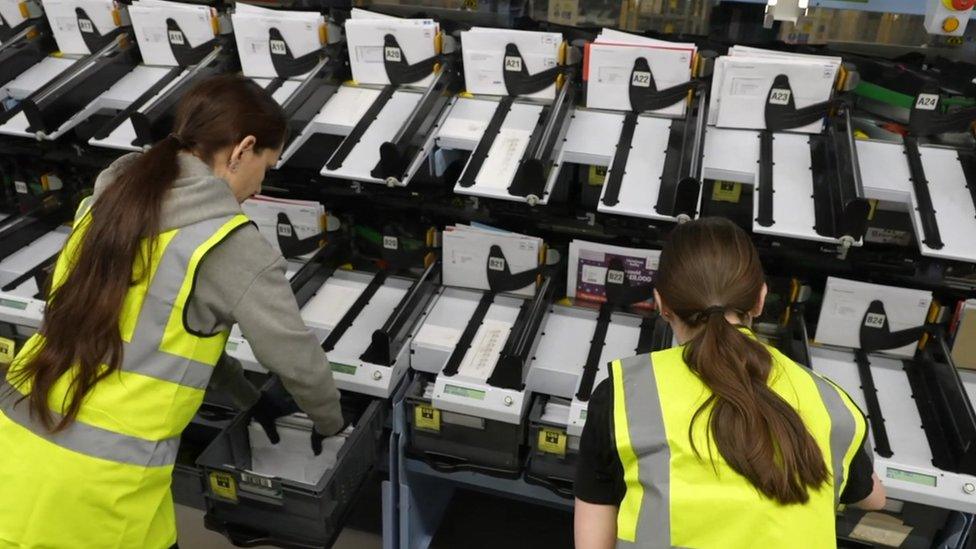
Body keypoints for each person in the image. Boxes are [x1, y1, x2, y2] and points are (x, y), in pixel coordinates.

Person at [0, 75, 344, 549]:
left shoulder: (109, 200)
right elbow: (297, 358)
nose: (261, 183)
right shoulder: (229, 243)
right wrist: (332, 424)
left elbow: (157, 336)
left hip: (15, 449)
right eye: (268, 165)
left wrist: (247, 396)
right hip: (98, 490)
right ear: (242, 150)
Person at [574, 217, 885, 549]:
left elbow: (594, 534)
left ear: (662, 304)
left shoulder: (624, 397)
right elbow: (873, 499)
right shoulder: (831, 402)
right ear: (761, 299)